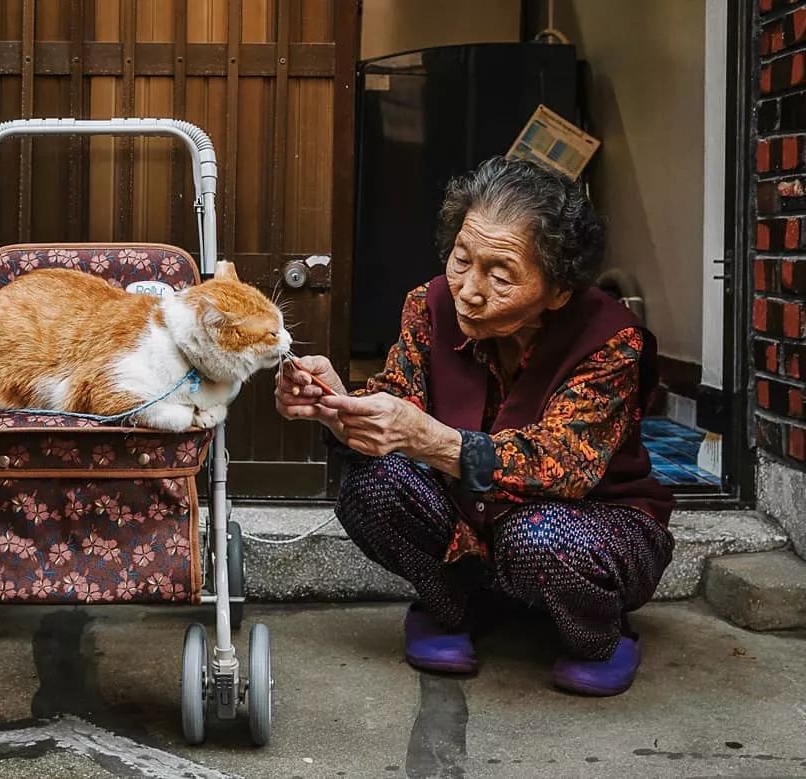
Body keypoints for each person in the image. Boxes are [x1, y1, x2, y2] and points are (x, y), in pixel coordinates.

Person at [275, 156, 674, 696]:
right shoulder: (429, 304)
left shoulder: (611, 340)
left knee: (539, 534)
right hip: (471, 524)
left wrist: (431, 439)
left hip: (591, 525)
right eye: (462, 259)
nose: (468, 288)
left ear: (559, 290)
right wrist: (338, 404)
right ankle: (452, 607)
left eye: (500, 274)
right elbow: (400, 397)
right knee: (373, 485)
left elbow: (564, 466)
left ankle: (598, 634)